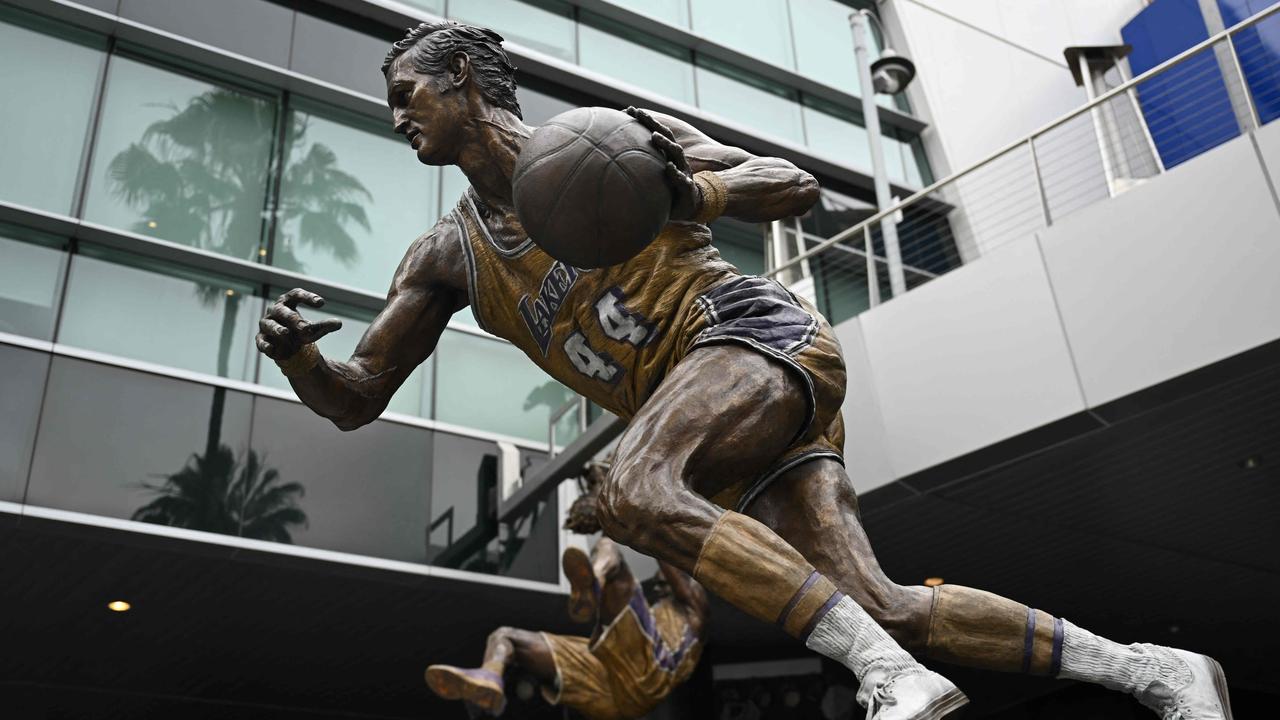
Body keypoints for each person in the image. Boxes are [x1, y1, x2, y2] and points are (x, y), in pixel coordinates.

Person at [254, 20, 1232, 720]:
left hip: (752, 334)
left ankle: (886, 678)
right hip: (711, 425)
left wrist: (689, 186)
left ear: (463, 79)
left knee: (633, 485)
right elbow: (358, 396)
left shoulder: (604, 141)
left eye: (406, 96)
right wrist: (301, 358)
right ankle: (1154, 673)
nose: (395, 118)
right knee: (879, 601)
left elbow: (791, 184)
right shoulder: (446, 257)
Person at [425, 466, 709, 719]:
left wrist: (642, 506)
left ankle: (594, 582)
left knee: (611, 553)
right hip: (611, 692)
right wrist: (606, 495)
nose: (661, 584)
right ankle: (489, 677)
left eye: (666, 580)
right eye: (660, 581)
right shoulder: (657, 618)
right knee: (505, 637)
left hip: (648, 673)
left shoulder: (695, 605)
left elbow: (662, 550)